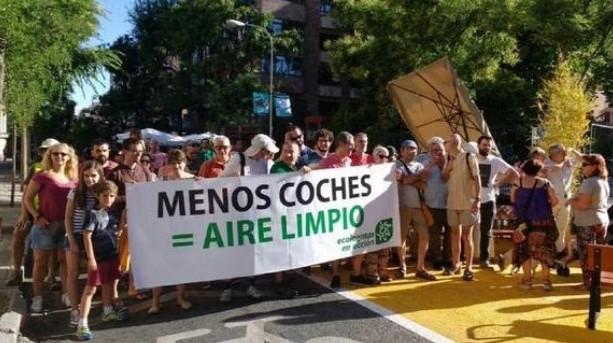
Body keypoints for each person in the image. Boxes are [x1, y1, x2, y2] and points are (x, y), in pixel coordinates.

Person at [218, 133, 279, 302]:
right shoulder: (238, 159)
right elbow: (221, 181)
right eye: (268, 151)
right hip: (235, 212)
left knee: (252, 251)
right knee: (233, 251)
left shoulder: (267, 163)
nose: (270, 154)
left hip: (255, 214)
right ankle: (228, 287)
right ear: (260, 150)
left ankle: (251, 285)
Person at [23, 143, 78, 312]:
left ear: (69, 157)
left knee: (64, 262)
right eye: (55, 154)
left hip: (67, 226)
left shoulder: (74, 178)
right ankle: (37, 297)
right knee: (40, 263)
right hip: (45, 225)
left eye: (63, 154)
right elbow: (27, 198)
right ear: (50, 156)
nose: (59, 157)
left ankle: (66, 293)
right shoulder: (42, 176)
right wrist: (36, 216)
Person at [75, 181, 126, 340]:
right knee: (90, 289)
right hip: (98, 257)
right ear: (97, 196)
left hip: (112, 254)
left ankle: (108, 311)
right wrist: (91, 259)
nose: (108, 199)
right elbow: (87, 236)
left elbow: (117, 230)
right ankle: (82, 323)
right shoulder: (92, 214)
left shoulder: (112, 213)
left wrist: (123, 221)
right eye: (105, 196)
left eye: (112, 196)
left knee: (108, 283)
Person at [6, 138, 59, 286]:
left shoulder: (64, 169)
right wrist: (24, 214)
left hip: (51, 212)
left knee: (53, 244)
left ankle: (51, 276)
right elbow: (25, 194)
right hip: (32, 210)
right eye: (44, 151)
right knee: (18, 235)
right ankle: (16, 271)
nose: (46, 153)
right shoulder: (35, 168)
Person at [107, 138, 153, 300]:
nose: (137, 154)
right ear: (125, 151)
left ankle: (134, 288)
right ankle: (113, 293)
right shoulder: (115, 173)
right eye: (134, 150)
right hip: (120, 221)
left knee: (137, 256)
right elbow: (108, 199)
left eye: (140, 150)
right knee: (118, 257)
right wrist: (128, 196)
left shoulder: (145, 171)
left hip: (140, 219)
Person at [149, 150, 193, 314]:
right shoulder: (161, 182)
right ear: (168, 165)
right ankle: (155, 302)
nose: (176, 166)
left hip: (184, 229)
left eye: (179, 162)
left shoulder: (192, 179)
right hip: (164, 230)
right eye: (173, 162)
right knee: (159, 266)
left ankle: (180, 298)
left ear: (184, 163)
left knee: (181, 265)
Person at [64, 161, 104, 327]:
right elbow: (67, 218)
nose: (90, 179)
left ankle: (90, 307)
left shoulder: (102, 193)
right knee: (72, 274)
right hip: (75, 236)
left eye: (93, 176)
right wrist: (72, 240)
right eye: (86, 176)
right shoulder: (75, 192)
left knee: (93, 275)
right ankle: (74, 310)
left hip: (94, 238)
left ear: (100, 176)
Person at [512, 159, 558, 291]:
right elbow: (555, 201)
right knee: (544, 251)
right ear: (538, 170)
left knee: (525, 251)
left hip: (524, 222)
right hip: (543, 222)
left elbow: (512, 199)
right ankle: (546, 282)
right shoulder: (545, 184)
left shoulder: (517, 182)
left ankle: (527, 281)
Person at [475, 136, 518, 269]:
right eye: (484, 145)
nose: (486, 147)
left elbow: (514, 173)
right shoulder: (471, 159)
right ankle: (464, 259)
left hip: (488, 200)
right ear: (478, 145)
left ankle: (484, 259)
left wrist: (498, 184)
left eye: (489, 145)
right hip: (469, 200)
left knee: (486, 231)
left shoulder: (495, 161)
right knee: (466, 230)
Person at [269, 141, 306, 297]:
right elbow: (282, 180)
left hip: (293, 215)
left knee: (290, 248)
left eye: (291, 152)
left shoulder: (296, 168)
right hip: (279, 215)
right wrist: (299, 174)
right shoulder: (277, 168)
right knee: (281, 249)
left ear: (298, 154)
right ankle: (279, 282)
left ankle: (288, 279)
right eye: (285, 151)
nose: (288, 154)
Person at [567, 154, 610, 289]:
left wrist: (569, 201)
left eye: (585, 165)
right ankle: (596, 281)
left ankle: (589, 283)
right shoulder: (603, 181)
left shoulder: (589, 182)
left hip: (588, 222)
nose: (582, 168)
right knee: (597, 254)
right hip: (601, 220)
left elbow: (583, 205)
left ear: (595, 166)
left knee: (586, 253)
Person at [443, 134, 481, 281]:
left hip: (467, 203)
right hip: (452, 203)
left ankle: (468, 267)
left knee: (466, 236)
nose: (445, 144)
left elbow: (477, 178)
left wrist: (477, 200)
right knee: (454, 235)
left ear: (454, 143)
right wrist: (449, 166)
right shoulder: (448, 159)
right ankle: (456, 264)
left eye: (447, 142)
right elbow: (444, 178)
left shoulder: (469, 157)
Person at [319, 131, 354, 288]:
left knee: (340, 241)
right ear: (340, 144)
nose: (352, 148)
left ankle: (336, 271)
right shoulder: (327, 162)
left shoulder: (349, 162)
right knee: (333, 240)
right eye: (350, 145)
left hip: (345, 208)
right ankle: (332, 270)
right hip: (330, 208)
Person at [395, 140, 434, 280]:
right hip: (403, 206)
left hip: (418, 206)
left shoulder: (419, 165)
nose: (413, 151)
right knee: (401, 237)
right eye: (410, 149)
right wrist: (414, 178)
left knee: (424, 235)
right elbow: (401, 179)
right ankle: (402, 265)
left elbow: (423, 185)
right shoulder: (397, 165)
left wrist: (409, 179)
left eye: (415, 149)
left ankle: (420, 267)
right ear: (402, 150)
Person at [544, 144, 582, 271]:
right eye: (562, 152)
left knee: (562, 228)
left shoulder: (568, 161)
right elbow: (554, 168)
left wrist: (572, 149)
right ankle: (548, 255)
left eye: (564, 152)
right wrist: (564, 163)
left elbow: (582, 159)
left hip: (566, 200)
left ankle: (558, 255)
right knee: (548, 229)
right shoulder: (546, 163)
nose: (565, 154)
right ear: (553, 154)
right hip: (551, 201)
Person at [421, 137, 451, 271]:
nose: (437, 153)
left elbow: (445, 179)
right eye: (434, 150)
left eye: (440, 150)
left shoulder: (450, 163)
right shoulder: (426, 163)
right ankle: (437, 258)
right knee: (434, 234)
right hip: (432, 204)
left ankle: (448, 257)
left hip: (450, 203)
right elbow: (422, 178)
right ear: (429, 152)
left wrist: (442, 164)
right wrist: (432, 163)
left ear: (445, 150)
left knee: (451, 233)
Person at [363, 145, 392, 283]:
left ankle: (383, 271)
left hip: (386, 212)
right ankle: (372, 274)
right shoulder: (367, 170)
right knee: (373, 246)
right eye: (381, 156)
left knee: (385, 245)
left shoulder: (391, 171)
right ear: (374, 156)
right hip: (372, 213)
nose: (384, 159)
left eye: (386, 156)